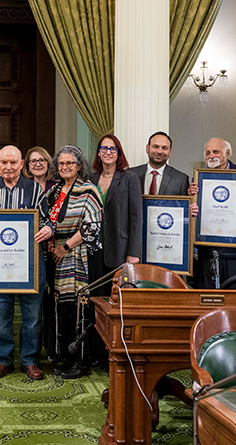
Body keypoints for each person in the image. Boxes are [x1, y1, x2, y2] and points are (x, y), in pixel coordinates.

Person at [0, 146, 53, 380]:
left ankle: (30, 361)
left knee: (33, 314)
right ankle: (3, 360)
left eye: (13, 163)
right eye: (4, 163)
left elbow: (47, 220)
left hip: (29, 262)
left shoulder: (35, 189)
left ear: (21, 163)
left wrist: (48, 229)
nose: (8, 167)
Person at [40, 145, 102, 379]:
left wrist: (65, 248)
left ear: (79, 166)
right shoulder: (55, 191)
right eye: (61, 164)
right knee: (61, 309)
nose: (65, 167)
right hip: (54, 258)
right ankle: (67, 355)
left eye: (70, 163)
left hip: (77, 257)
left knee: (79, 309)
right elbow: (45, 219)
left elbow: (92, 227)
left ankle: (82, 360)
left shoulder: (88, 190)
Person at [191, 138, 236, 289]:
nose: (211, 156)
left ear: (227, 153)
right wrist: (190, 198)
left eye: (216, 152)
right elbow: (192, 213)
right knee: (207, 300)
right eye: (207, 152)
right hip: (207, 251)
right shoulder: (198, 179)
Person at [91, 134, 142, 279]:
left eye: (113, 149)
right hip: (93, 250)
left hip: (119, 249)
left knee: (115, 296)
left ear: (119, 153)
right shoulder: (91, 179)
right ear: (99, 153)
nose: (108, 152)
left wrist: (133, 253)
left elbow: (136, 218)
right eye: (104, 148)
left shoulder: (130, 178)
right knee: (95, 296)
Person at [130, 131, 189, 195]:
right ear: (147, 148)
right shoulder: (130, 174)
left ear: (170, 151)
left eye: (164, 148)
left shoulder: (181, 180)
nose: (159, 151)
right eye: (155, 146)